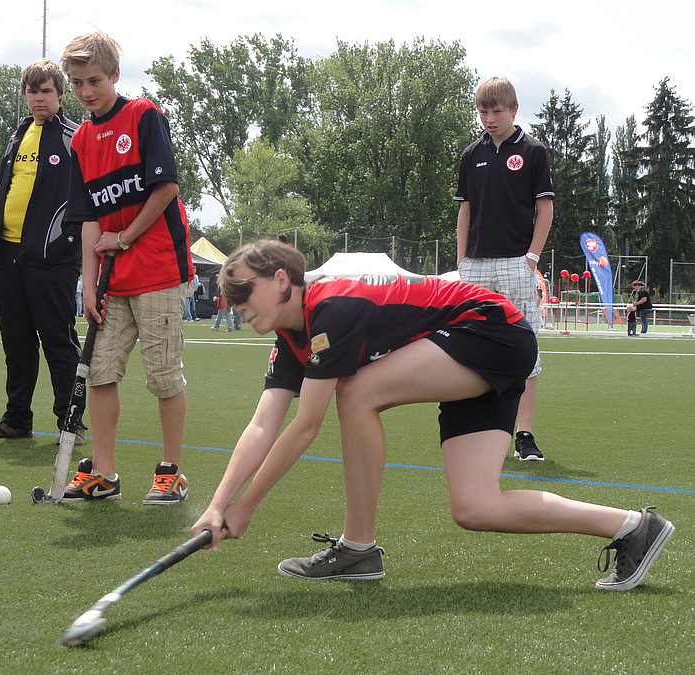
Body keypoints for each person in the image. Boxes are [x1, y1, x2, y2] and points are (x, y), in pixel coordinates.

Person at [192, 239, 674, 593]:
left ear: (281, 281)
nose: (235, 303)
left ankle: (358, 549)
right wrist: (218, 504)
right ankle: (633, 527)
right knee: (476, 508)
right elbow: (262, 425)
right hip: (479, 350)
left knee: (355, 393)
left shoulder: (330, 308)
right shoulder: (290, 340)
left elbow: (305, 425)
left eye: (243, 291)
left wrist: (246, 504)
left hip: (489, 330)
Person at [60, 30, 194, 504]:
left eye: (94, 81)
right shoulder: (80, 139)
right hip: (111, 280)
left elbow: (166, 189)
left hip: (159, 268)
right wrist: (88, 285)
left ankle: (171, 472)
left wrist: (125, 237)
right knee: (100, 371)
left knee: (163, 375)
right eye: (77, 83)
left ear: (115, 75)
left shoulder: (143, 115)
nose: (85, 92)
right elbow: (88, 219)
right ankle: (104, 473)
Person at [0, 58, 85, 445]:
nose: (39, 98)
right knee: (16, 345)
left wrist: (66, 242)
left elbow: (86, 197)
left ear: (60, 94)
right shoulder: (17, 136)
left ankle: (71, 423)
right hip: (7, 257)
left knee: (59, 342)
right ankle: (17, 419)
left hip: (52, 261)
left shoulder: (74, 137)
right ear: (24, 94)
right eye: (32, 91)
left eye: (46, 91)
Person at [454, 76, 554, 461]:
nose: (490, 118)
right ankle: (477, 428)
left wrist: (531, 258)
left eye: (497, 111)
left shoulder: (533, 151)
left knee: (526, 348)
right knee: (471, 345)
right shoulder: (471, 154)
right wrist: (462, 259)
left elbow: (545, 208)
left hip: (516, 263)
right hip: (475, 266)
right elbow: (465, 209)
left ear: (513, 110)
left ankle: (524, 434)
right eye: (483, 111)